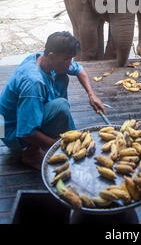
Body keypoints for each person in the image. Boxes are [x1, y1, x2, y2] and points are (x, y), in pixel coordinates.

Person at [0, 31, 106, 169]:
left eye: (71, 59)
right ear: (51, 56)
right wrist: (58, 145)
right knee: (60, 106)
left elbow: (79, 70)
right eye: (67, 59)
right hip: (10, 130)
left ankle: (51, 134)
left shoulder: (44, 57)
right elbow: (26, 131)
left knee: (62, 78)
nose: (70, 64)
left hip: (20, 117)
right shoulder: (33, 82)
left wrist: (92, 95)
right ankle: (31, 154)